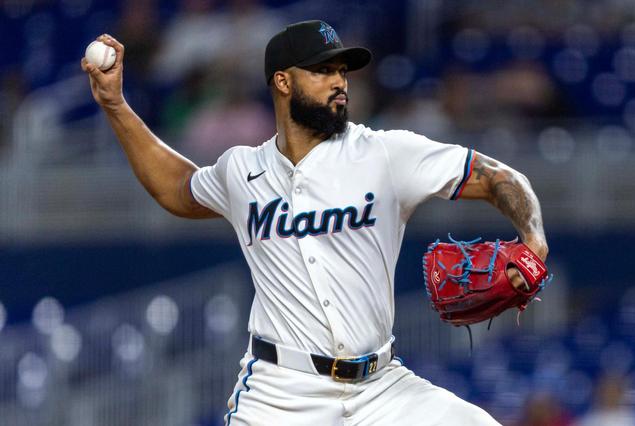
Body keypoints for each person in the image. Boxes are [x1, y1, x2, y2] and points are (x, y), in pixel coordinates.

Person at [81, 20, 548, 425]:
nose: (339, 81)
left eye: (342, 70)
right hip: (280, 395)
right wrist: (117, 108)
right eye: (323, 70)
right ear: (283, 81)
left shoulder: (384, 154)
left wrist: (533, 240)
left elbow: (499, 178)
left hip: (382, 389)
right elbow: (177, 190)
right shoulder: (241, 170)